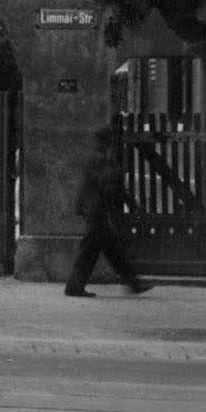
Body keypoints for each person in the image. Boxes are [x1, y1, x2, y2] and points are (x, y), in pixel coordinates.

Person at [66, 126, 153, 298]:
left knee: (109, 251)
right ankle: (75, 286)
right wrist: (117, 173)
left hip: (95, 211)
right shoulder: (98, 160)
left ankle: (133, 283)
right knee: (95, 252)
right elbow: (102, 182)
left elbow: (108, 186)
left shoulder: (99, 160)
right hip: (95, 211)